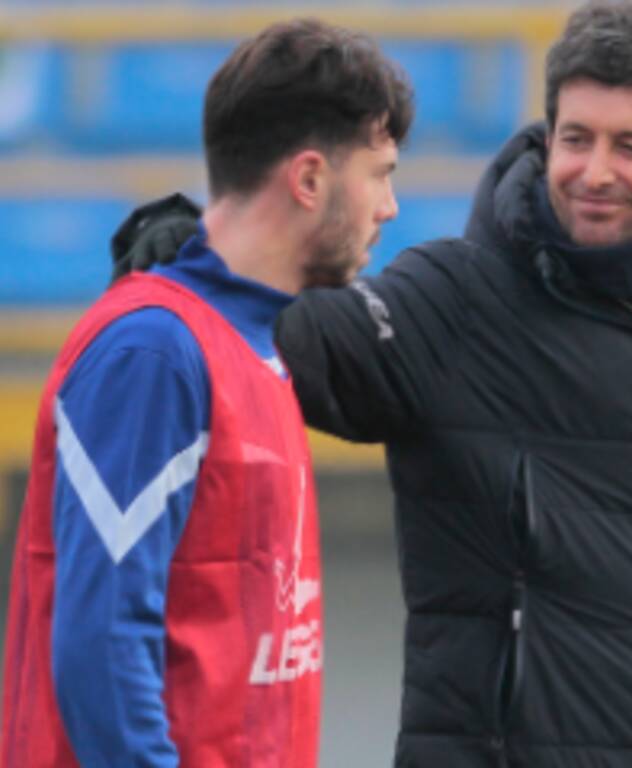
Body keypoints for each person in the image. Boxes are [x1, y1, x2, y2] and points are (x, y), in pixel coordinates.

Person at [113, 2, 632, 766]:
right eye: (576, 139)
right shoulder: (458, 300)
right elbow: (293, 334)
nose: (594, 171)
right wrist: (194, 245)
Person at [1, 18, 410, 767]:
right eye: (379, 173)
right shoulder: (153, 351)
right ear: (310, 178)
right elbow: (102, 648)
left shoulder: (257, 342)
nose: (389, 206)